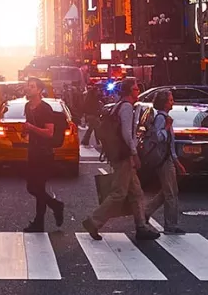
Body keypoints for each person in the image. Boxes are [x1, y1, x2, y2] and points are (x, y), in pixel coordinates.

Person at [81, 81, 152, 241]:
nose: (138, 91)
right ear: (128, 91)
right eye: (135, 88)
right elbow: (127, 133)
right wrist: (134, 153)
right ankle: (94, 221)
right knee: (119, 193)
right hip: (124, 155)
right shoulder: (126, 107)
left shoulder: (119, 105)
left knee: (136, 192)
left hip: (119, 154)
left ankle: (141, 227)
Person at [18, 80, 68, 233]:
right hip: (33, 151)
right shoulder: (28, 106)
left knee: (36, 187)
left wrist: (31, 128)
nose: (28, 88)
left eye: (32, 86)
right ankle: (53, 208)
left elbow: (49, 132)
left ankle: (42, 220)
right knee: (33, 187)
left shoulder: (45, 109)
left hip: (44, 153)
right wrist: (25, 131)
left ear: (39, 90)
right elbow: (29, 127)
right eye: (28, 85)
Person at [140, 88, 182, 235]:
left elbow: (171, 143)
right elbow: (159, 138)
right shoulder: (161, 119)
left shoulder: (165, 118)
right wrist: (167, 127)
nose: (173, 102)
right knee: (171, 193)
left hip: (168, 158)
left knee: (168, 191)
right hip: (162, 160)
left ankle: (145, 212)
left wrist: (176, 161)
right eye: (170, 100)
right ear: (164, 103)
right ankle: (171, 225)